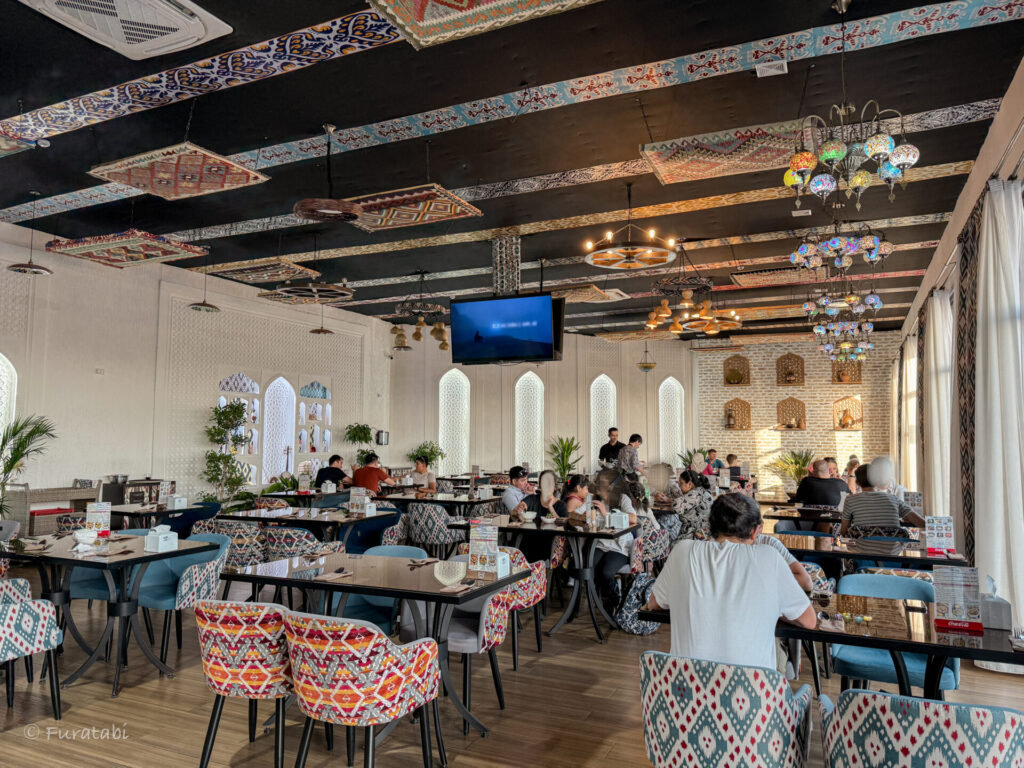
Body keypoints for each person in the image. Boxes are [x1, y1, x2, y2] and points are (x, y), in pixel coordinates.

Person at [645, 493, 815, 665]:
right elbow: (809, 620)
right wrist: (772, 608)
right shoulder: (769, 557)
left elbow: (654, 603)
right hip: (750, 682)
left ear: (709, 526)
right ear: (755, 532)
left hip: (686, 681)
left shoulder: (682, 551)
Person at [594, 478, 659, 613]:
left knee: (606, 572)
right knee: (589, 567)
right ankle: (599, 599)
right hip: (601, 542)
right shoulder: (597, 500)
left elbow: (633, 518)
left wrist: (606, 514)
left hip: (620, 545)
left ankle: (613, 600)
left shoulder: (623, 499)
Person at [840, 464, 925, 535]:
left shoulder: (850, 500)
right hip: (892, 549)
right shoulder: (893, 499)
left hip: (862, 548)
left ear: (857, 483)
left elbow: (844, 531)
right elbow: (920, 522)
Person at [672, 469, 714, 540]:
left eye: (681, 483)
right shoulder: (701, 490)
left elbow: (676, 506)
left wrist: (671, 501)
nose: (679, 486)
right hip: (704, 531)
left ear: (689, 484)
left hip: (698, 535)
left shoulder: (696, 493)